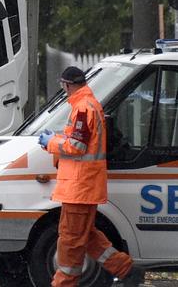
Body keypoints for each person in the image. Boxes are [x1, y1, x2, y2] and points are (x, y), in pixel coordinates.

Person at [39, 66, 146, 287]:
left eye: (63, 86)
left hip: (79, 188)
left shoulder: (82, 108)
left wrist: (50, 142)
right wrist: (58, 139)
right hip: (83, 187)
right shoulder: (87, 105)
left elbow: (76, 146)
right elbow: (79, 142)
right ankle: (125, 270)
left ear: (67, 85)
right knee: (85, 235)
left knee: (70, 240)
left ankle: (63, 284)